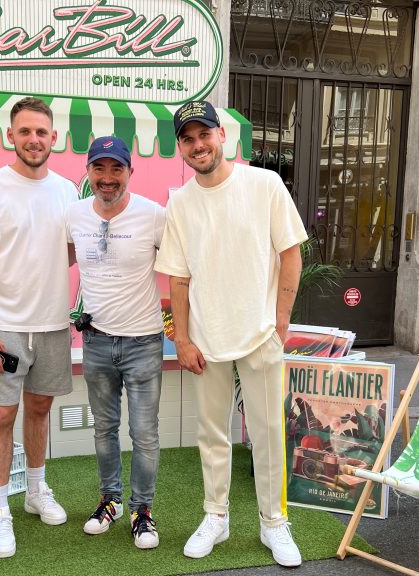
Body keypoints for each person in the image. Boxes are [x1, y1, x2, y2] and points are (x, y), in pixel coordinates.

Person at [154, 100, 307, 567]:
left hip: (260, 333)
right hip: (206, 337)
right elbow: (177, 278)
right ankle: (215, 517)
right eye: (188, 138)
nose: (198, 145)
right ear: (179, 146)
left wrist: (279, 321)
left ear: (223, 135)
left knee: (267, 432)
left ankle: (273, 523)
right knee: (212, 433)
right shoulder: (179, 203)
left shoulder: (264, 184)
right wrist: (181, 338)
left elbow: (290, 253)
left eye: (205, 134)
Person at [0, 97, 78, 559]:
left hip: (52, 325)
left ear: (55, 138)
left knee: (39, 409)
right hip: (5, 328)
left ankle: (35, 490)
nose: (34, 139)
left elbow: (71, 251)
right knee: (2, 416)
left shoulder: (68, 190)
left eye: (42, 132)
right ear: (10, 135)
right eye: (25, 131)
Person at [65, 136, 166, 549]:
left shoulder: (154, 215)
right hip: (97, 341)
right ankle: (111, 501)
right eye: (99, 168)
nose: (107, 178)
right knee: (104, 430)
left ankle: (143, 512)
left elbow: (181, 268)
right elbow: (57, 260)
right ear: (88, 172)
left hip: (144, 341)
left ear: (129, 172)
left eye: (116, 169)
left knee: (144, 433)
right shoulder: (73, 215)